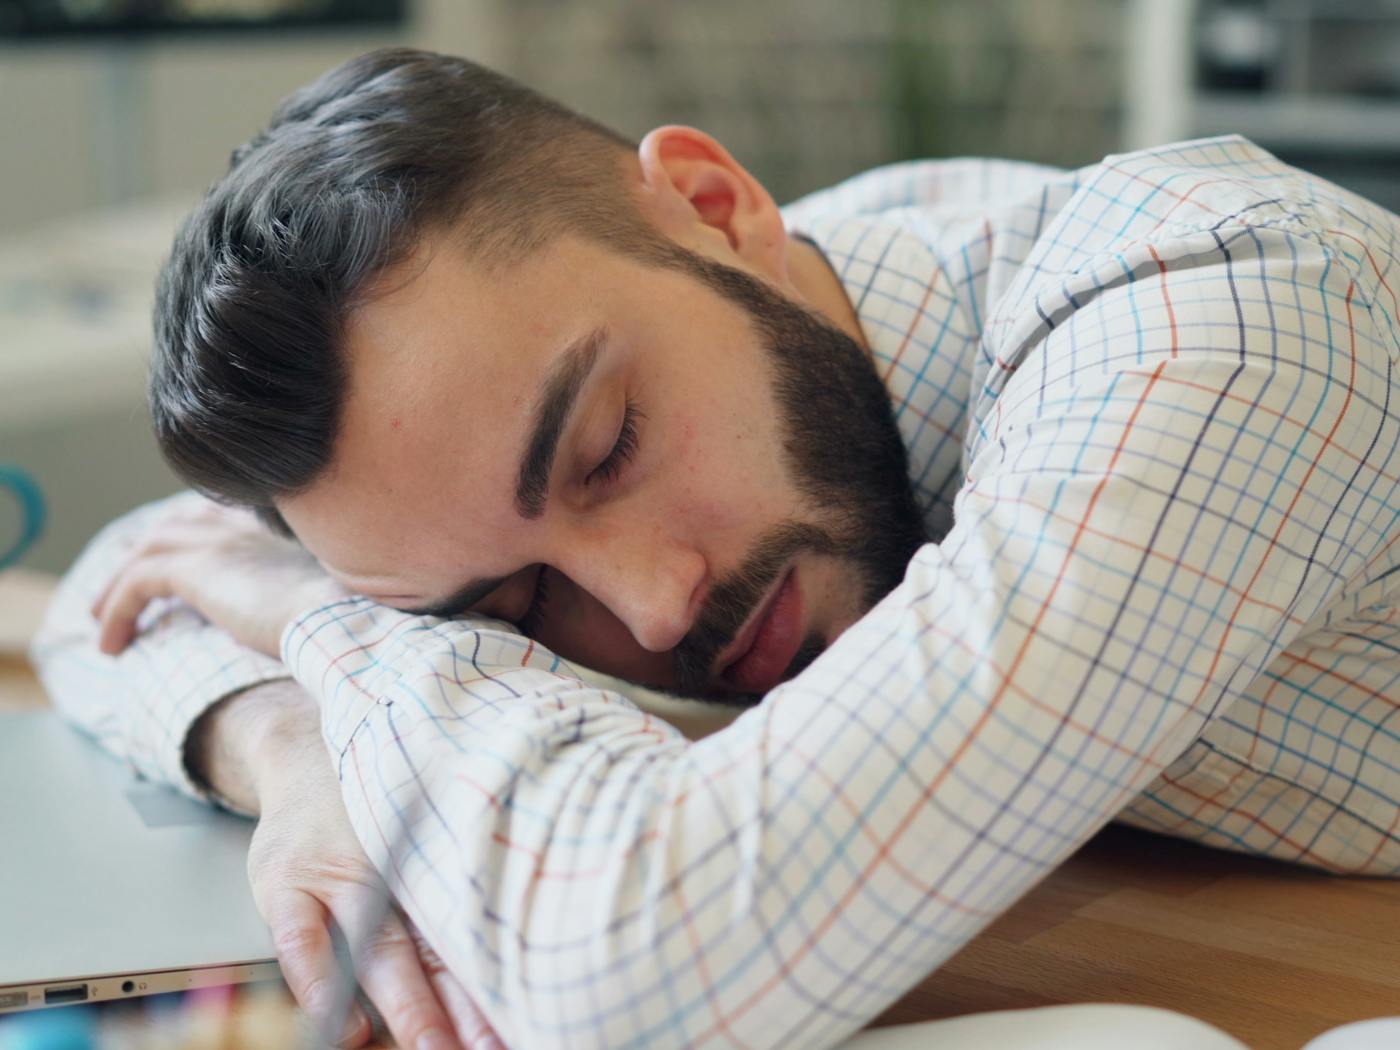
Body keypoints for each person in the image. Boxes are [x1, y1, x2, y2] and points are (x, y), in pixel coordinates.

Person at [33, 45, 1400, 1050]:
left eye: (609, 444)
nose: (648, 603)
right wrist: (286, 742)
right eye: (512, 600)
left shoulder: (1225, 319)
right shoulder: (682, 310)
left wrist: (346, 637)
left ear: (719, 205)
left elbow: (637, 975)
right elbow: (115, 588)